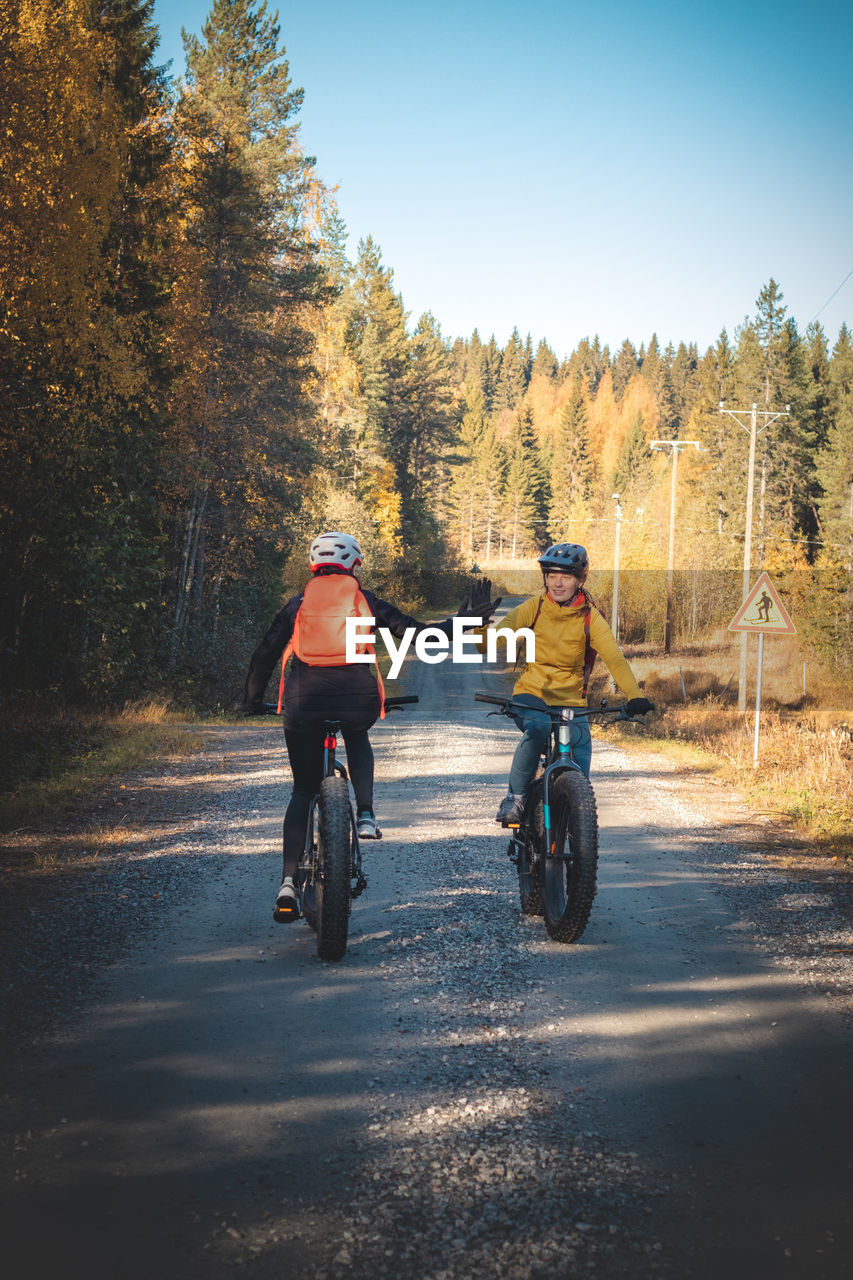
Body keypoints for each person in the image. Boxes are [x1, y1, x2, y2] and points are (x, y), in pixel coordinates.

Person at [236, 532, 498, 921]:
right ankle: (366, 814)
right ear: (354, 565)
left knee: (304, 789)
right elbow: (416, 634)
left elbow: (263, 656)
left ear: (313, 565)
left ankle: (288, 882)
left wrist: (251, 701)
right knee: (357, 735)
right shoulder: (365, 601)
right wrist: (462, 624)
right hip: (356, 698)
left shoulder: (297, 604)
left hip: (303, 703)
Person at [483, 542, 654, 825]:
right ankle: (515, 798)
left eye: (566, 576)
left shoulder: (590, 618)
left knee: (580, 763)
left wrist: (634, 695)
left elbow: (615, 658)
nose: (557, 583)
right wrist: (478, 625)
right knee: (537, 729)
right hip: (532, 693)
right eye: (551, 576)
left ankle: (577, 830)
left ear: (580, 580)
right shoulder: (534, 608)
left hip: (571, 701)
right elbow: (493, 643)